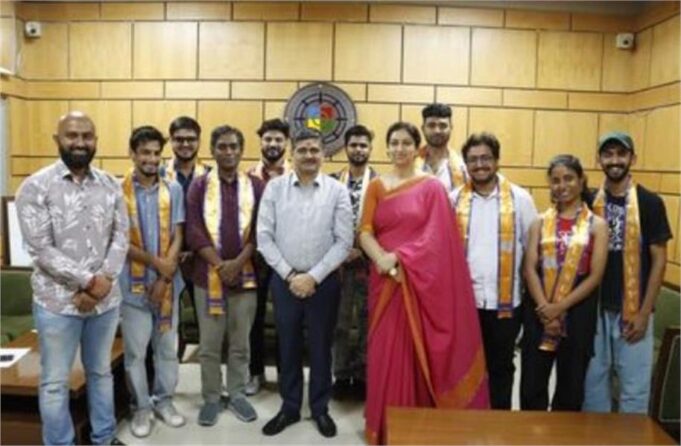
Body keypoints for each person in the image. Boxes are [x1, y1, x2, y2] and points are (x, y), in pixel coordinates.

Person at [359, 122, 489, 445]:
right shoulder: (376, 186)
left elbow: (437, 238)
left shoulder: (432, 188)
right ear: (386, 148)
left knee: (415, 354)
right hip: (385, 283)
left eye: (406, 143)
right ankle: (383, 427)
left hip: (417, 283)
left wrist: (398, 257)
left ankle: (416, 429)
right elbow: (364, 231)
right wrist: (381, 259)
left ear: (417, 148)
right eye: (394, 143)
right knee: (386, 352)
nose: (399, 149)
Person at [15, 111, 129, 445]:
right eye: (72, 135)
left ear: (96, 141)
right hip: (57, 304)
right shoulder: (35, 187)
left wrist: (101, 283)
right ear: (58, 140)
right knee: (54, 382)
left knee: (101, 372)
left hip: (105, 302)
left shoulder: (110, 184)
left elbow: (121, 236)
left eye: (87, 136)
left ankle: (104, 438)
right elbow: (40, 249)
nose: (80, 142)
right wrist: (89, 282)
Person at [257, 127, 353, 438]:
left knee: (322, 346)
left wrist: (313, 277)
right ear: (292, 153)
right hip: (285, 281)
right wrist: (290, 275)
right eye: (303, 150)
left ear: (324, 155)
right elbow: (264, 238)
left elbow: (344, 241)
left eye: (315, 150)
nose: (309, 155)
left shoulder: (337, 191)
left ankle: (320, 408)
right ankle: (289, 407)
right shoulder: (275, 189)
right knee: (287, 345)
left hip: (323, 282)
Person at [582, 132, 672, 414]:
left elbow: (659, 261)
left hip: (634, 311)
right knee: (593, 386)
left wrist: (645, 312)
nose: (615, 160)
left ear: (633, 158)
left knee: (634, 390)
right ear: (599, 159)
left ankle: (630, 437)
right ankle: (596, 436)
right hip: (594, 309)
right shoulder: (587, 201)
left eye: (621, 154)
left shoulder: (650, 203)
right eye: (608, 154)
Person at [451, 132, 537, 410]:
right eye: (473, 160)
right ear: (466, 164)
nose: (480, 165)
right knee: (466, 368)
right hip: (466, 303)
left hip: (506, 304)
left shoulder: (521, 199)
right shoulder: (453, 200)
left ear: (497, 160)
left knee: (501, 367)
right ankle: (468, 423)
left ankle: (498, 423)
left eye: (486, 158)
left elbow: (532, 251)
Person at [186, 125, 264, 426]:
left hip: (246, 278)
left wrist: (238, 263)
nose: (228, 152)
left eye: (233, 146)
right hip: (207, 278)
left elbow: (261, 230)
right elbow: (194, 230)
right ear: (212, 150)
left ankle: (237, 393)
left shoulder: (256, 186)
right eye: (222, 146)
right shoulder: (199, 186)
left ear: (241, 150)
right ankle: (211, 397)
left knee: (240, 343)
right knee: (209, 345)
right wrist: (221, 265)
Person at [520, 155, 608, 411]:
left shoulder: (597, 225)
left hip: (578, 310)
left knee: (571, 389)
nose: (562, 185)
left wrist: (559, 308)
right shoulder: (538, 222)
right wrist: (545, 309)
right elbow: (529, 268)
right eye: (556, 180)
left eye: (569, 178)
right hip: (539, 309)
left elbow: (595, 276)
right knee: (532, 387)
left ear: (581, 181)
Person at [119, 126, 186, 437]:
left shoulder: (173, 189)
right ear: (132, 154)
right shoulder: (117, 191)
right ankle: (141, 408)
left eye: (157, 153)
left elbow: (178, 235)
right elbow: (119, 241)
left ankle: (165, 401)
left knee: (167, 349)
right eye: (145, 152)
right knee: (136, 353)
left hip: (168, 286)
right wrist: (156, 264)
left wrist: (164, 275)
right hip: (132, 288)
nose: (152, 158)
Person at [331, 124, 378, 400]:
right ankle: (340, 374)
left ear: (370, 149)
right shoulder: (332, 181)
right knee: (339, 322)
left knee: (366, 322)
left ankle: (362, 376)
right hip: (337, 265)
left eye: (363, 145)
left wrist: (361, 249)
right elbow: (323, 221)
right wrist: (341, 250)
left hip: (369, 264)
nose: (358, 150)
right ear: (345, 148)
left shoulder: (381, 183)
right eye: (353, 145)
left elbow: (386, 223)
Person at [246, 118, 292, 396]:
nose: (273, 144)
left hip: (287, 259)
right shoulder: (247, 176)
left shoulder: (297, 175)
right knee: (254, 319)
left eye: (278, 139)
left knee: (286, 321)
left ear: (286, 143)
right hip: (254, 259)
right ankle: (255, 372)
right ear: (261, 142)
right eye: (268, 139)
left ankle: (286, 375)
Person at [162, 116, 211, 360]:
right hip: (166, 258)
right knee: (165, 320)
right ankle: (168, 370)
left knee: (207, 322)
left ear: (199, 141)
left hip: (200, 259)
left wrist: (196, 249)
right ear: (171, 141)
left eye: (190, 139)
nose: (185, 144)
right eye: (179, 139)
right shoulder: (159, 173)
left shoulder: (211, 175)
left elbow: (214, 220)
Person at [416, 103, 467, 193]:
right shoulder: (410, 163)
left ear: (451, 128)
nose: (437, 131)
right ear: (423, 128)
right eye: (431, 125)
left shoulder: (463, 166)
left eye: (443, 126)